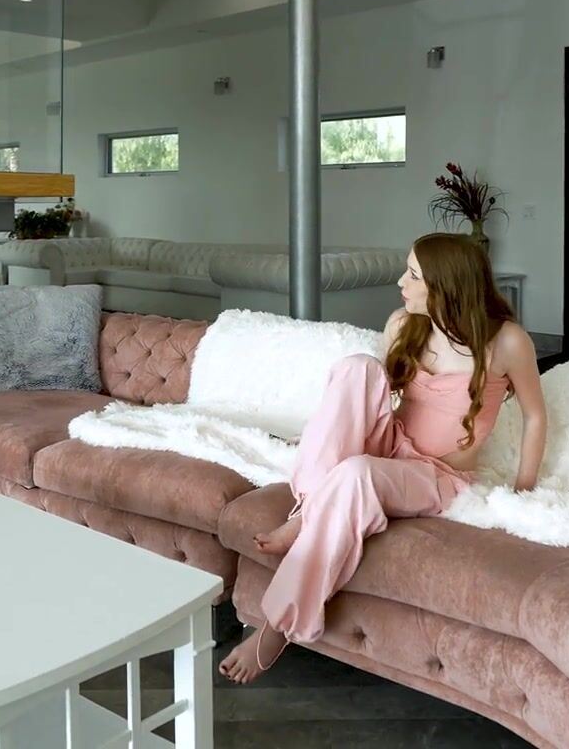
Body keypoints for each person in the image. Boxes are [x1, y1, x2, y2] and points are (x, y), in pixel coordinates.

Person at [217, 232, 548, 683]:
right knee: (359, 367)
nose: (400, 282)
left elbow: (534, 416)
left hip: (436, 474)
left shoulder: (506, 342)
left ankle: (277, 627)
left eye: (413, 275)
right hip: (391, 443)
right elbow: (366, 401)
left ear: (445, 285)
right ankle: (309, 508)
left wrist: (524, 492)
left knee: (356, 473)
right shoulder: (403, 325)